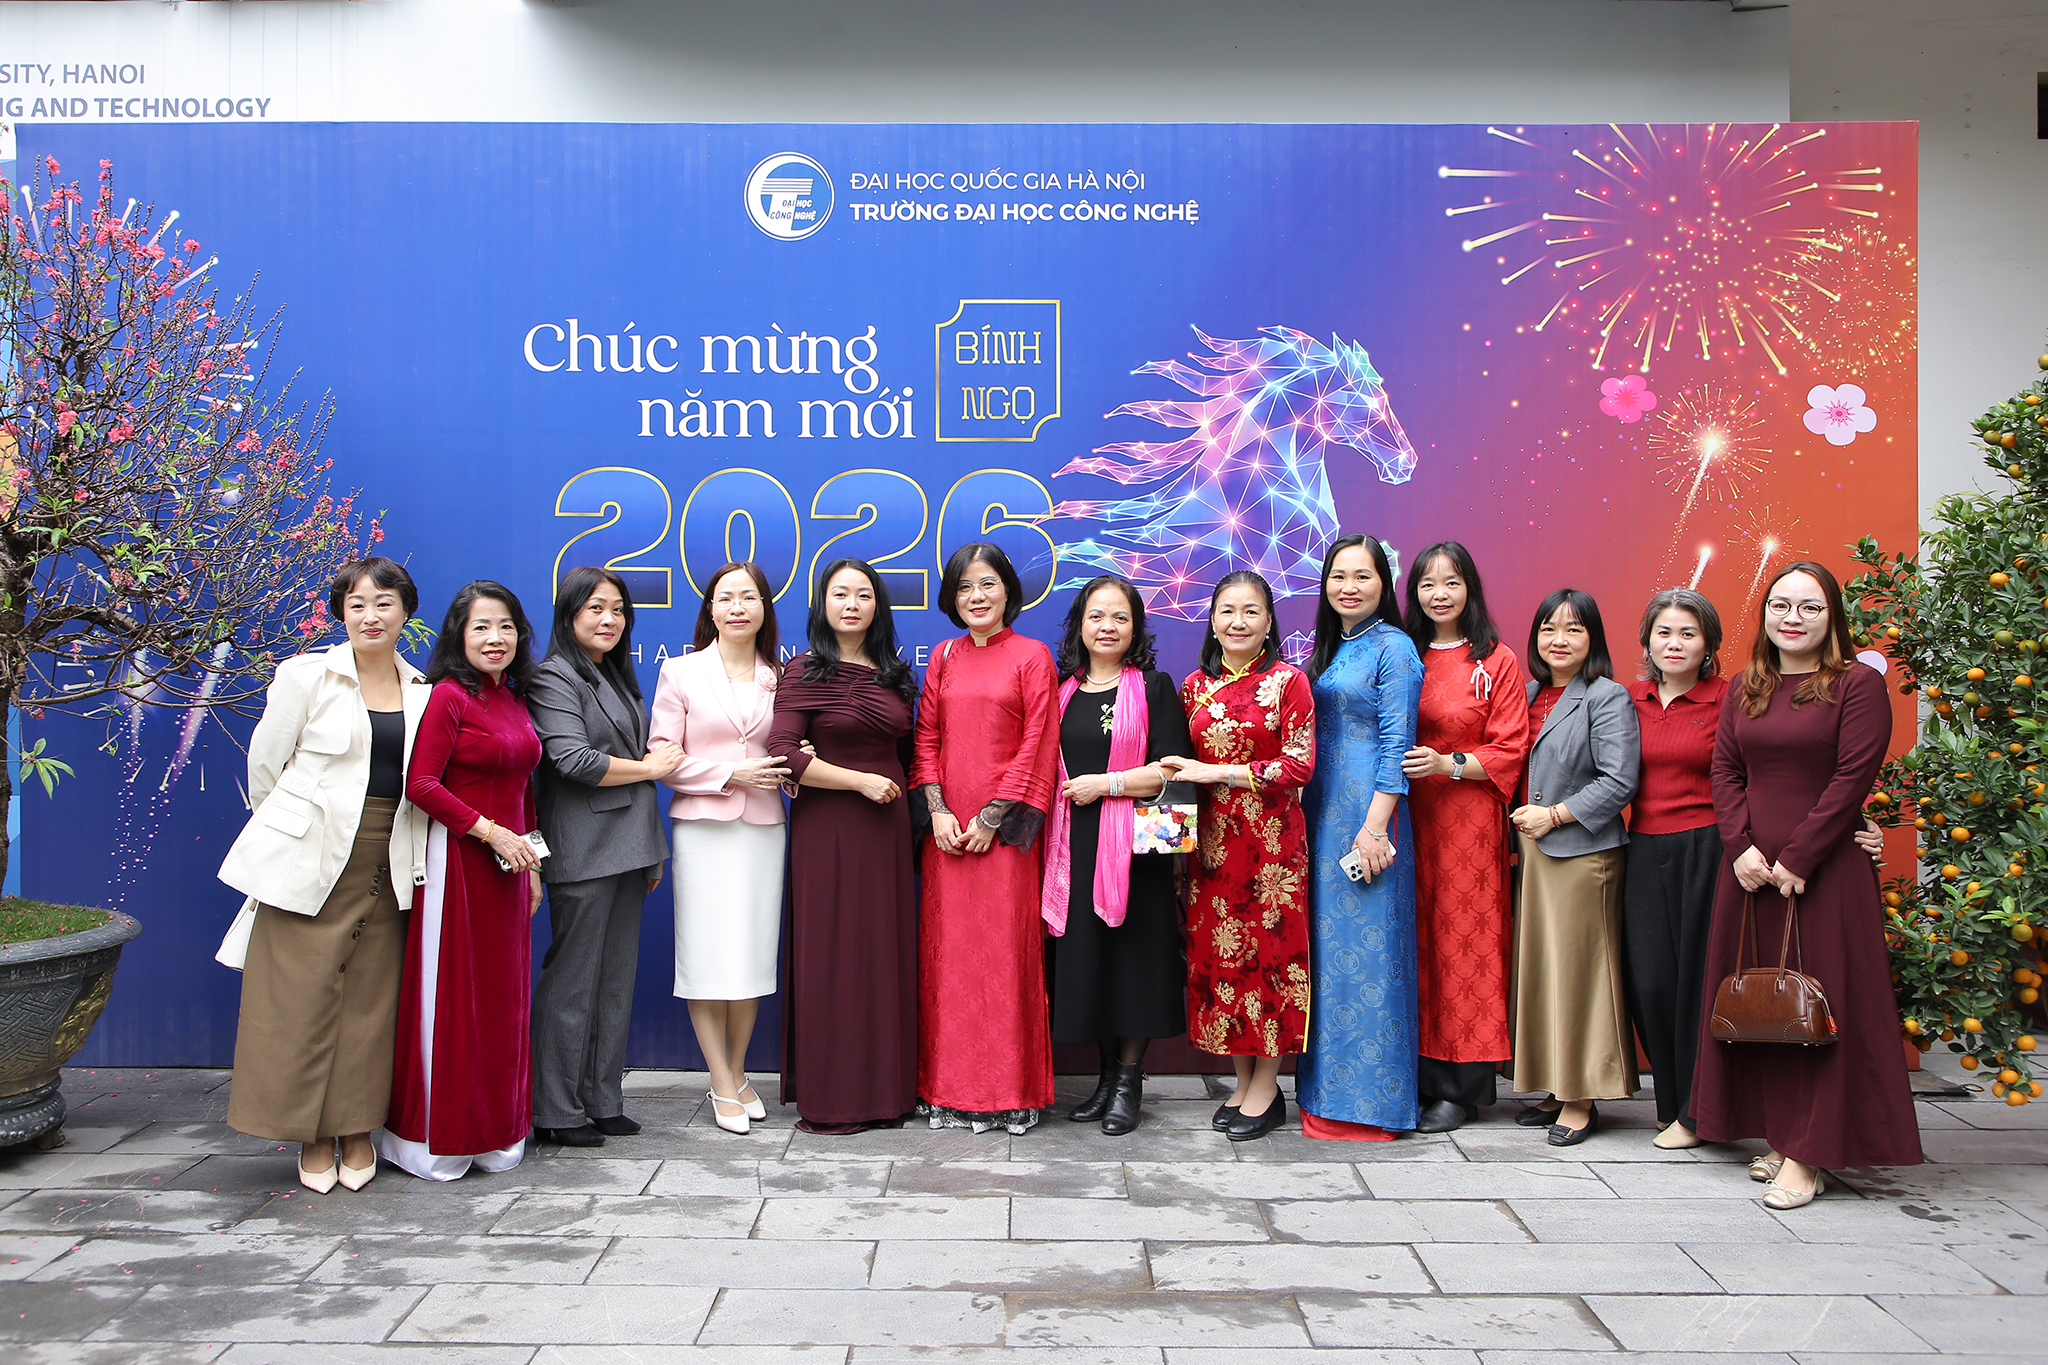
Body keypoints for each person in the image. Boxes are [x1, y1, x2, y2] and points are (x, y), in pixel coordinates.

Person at [1692, 561, 1921, 1209]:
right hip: (1751, 873)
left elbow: (1853, 777)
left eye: (1810, 607)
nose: (1792, 618)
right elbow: (1725, 771)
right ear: (1765, 613)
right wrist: (1740, 848)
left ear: (1832, 618)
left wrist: (1799, 856)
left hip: (1824, 872)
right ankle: (1783, 1133)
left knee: (1823, 1005)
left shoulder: (1856, 685)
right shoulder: (1747, 685)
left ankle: (1810, 1152)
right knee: (1768, 1007)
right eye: (1781, 604)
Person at [219, 558, 431, 1194]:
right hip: (310, 857)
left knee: (371, 1002)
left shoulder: (423, 689)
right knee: (299, 998)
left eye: (384, 603)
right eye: (357, 604)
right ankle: (312, 1134)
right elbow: (266, 767)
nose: (371, 616)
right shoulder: (306, 675)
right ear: (341, 612)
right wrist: (293, 835)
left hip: (389, 856)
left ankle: (357, 1129)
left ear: (405, 612)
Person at [379, 581, 546, 1182]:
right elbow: (421, 784)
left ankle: (494, 1132)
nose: (494, 638)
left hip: (511, 870)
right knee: (453, 999)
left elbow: (523, 788)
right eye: (481, 627)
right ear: (459, 635)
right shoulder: (448, 697)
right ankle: (437, 1138)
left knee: (502, 1004)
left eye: (505, 626)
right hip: (456, 864)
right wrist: (490, 833)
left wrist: (532, 863)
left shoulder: (515, 699)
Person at [525, 566, 677, 1148]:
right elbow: (574, 761)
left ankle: (602, 1099)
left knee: (614, 981)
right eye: (595, 608)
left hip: (630, 848)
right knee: (572, 982)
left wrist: (651, 851)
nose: (609, 619)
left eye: (617, 609)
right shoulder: (552, 677)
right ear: (569, 616)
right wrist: (650, 768)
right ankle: (556, 1109)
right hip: (583, 850)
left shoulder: (613, 673)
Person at [766, 558, 919, 1134]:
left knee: (881, 951)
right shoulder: (803, 670)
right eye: (840, 594)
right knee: (832, 952)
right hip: (828, 826)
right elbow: (783, 754)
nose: (852, 604)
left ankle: (887, 1094)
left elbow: (909, 752)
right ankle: (835, 1099)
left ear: (878, 605)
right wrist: (858, 782)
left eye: (863, 594)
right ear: (822, 604)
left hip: (887, 828)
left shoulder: (895, 673)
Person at [912, 542, 1061, 1134]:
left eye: (987, 584)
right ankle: (945, 1091)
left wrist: (992, 817)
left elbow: (1038, 743)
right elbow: (926, 737)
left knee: (1005, 958)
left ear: (1007, 591)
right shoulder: (944, 656)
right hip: (947, 836)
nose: (976, 596)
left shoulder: (1032, 656)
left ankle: (1010, 1092)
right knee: (948, 962)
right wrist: (938, 812)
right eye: (964, 587)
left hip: (1003, 840)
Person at [1162, 569, 1315, 1142]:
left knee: (1269, 961)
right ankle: (1243, 1079)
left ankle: (1269, 1086)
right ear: (1212, 620)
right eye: (1227, 610)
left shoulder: (1288, 682)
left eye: (1251, 611)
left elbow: (1299, 765)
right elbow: (1177, 772)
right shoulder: (1193, 687)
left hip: (1271, 851)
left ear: (1269, 621)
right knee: (1223, 962)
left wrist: (1220, 772)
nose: (1238, 622)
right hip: (1211, 851)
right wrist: (1175, 852)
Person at [1042, 575, 1193, 1135]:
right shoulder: (1060, 691)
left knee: (1135, 964)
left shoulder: (1154, 687)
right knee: (1092, 963)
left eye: (1120, 617)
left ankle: (1129, 1083)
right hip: (1072, 849)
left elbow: (1173, 771)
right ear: (1079, 625)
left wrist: (1106, 785)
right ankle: (1106, 1081)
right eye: (1097, 616)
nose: (1108, 627)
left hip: (1138, 850)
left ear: (1135, 628)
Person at [649, 561, 790, 1135]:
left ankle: (735, 1071)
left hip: (763, 829)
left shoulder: (780, 675)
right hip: (703, 828)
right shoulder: (681, 672)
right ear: (710, 608)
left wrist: (792, 767)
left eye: (748, 597)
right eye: (726, 597)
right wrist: (731, 773)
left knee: (750, 954)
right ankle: (720, 1078)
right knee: (707, 955)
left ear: (763, 608)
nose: (737, 607)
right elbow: (663, 758)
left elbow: (791, 751)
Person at [1399, 542, 1531, 1133]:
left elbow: (1510, 748)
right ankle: (1415, 1075)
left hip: (1468, 823)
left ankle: (1462, 1086)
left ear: (1470, 589)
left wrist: (1447, 764)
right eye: (1428, 584)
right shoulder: (1403, 652)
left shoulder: (1495, 660)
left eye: (1451, 582)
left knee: (1463, 945)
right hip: (1404, 818)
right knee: (1414, 942)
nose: (1439, 595)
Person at [1296, 535, 1424, 1141]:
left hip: (1369, 816)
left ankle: (1373, 1108)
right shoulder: (1334, 647)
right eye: (1338, 576)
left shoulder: (1395, 647)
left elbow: (1398, 743)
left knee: (1373, 954)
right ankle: (1325, 1096)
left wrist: (1375, 828)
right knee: (1329, 957)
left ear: (1384, 583)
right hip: (1323, 814)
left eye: (1363, 576)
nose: (1349, 587)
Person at [1507, 589, 1642, 1146]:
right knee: (1544, 971)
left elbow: (1619, 780)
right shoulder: (1529, 693)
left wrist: (1556, 815)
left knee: (1582, 975)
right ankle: (1554, 1085)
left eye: (1573, 629)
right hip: (1532, 855)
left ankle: (1582, 1097)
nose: (1558, 640)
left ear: (1593, 639)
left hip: (1582, 854)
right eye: (1548, 629)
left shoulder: (1607, 697)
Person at [1621, 587, 1729, 1149]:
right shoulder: (1627, 700)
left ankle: (1698, 1112)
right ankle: (1671, 1106)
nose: (1675, 643)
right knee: (1652, 983)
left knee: (1699, 984)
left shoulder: (1729, 699)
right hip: (1641, 849)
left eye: (1689, 633)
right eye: (1664, 632)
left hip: (1708, 849)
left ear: (1709, 644)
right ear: (1647, 641)